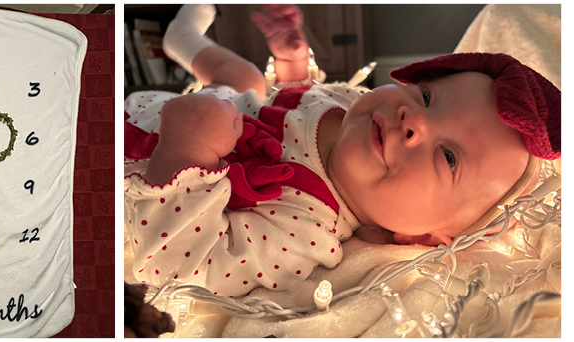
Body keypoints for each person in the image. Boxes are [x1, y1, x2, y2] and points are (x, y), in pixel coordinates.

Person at [124, 4, 559, 297]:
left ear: (422, 238)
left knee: (242, 81)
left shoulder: (306, 229)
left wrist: (186, 149)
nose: (416, 122)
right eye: (427, 97)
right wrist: (292, 62)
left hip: (128, 161)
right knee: (251, 80)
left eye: (448, 158)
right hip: (213, 108)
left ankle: (181, 41)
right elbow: (296, 100)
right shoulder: (350, 106)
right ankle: (181, 38)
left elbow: (176, 269)